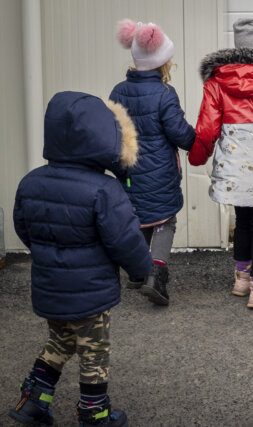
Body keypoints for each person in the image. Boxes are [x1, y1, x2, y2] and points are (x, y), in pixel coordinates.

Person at [10, 91, 152, 426]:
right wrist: (142, 269)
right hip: (91, 293)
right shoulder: (104, 189)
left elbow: (23, 227)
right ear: (102, 137)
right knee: (94, 351)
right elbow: (125, 240)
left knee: (60, 341)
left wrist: (49, 251)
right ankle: (94, 413)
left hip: (50, 285)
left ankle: (33, 403)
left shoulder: (31, 183)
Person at [188, 18, 253, 308]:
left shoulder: (216, 83)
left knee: (244, 219)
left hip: (235, 166)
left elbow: (207, 128)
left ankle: (242, 280)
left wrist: (197, 156)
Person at [110, 19, 196, 305]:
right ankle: (156, 274)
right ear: (162, 63)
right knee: (164, 220)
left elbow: (113, 130)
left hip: (128, 170)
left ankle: (136, 272)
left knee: (138, 217)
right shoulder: (164, 93)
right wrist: (197, 140)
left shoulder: (118, 91)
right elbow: (178, 132)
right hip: (159, 172)